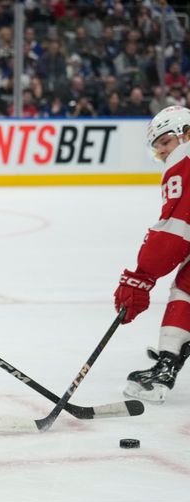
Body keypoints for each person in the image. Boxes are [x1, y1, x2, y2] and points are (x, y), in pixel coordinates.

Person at [114, 105, 190, 404]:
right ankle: (167, 363)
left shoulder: (185, 159)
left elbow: (175, 231)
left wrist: (141, 277)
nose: (163, 154)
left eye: (166, 143)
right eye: (158, 149)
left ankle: (168, 363)